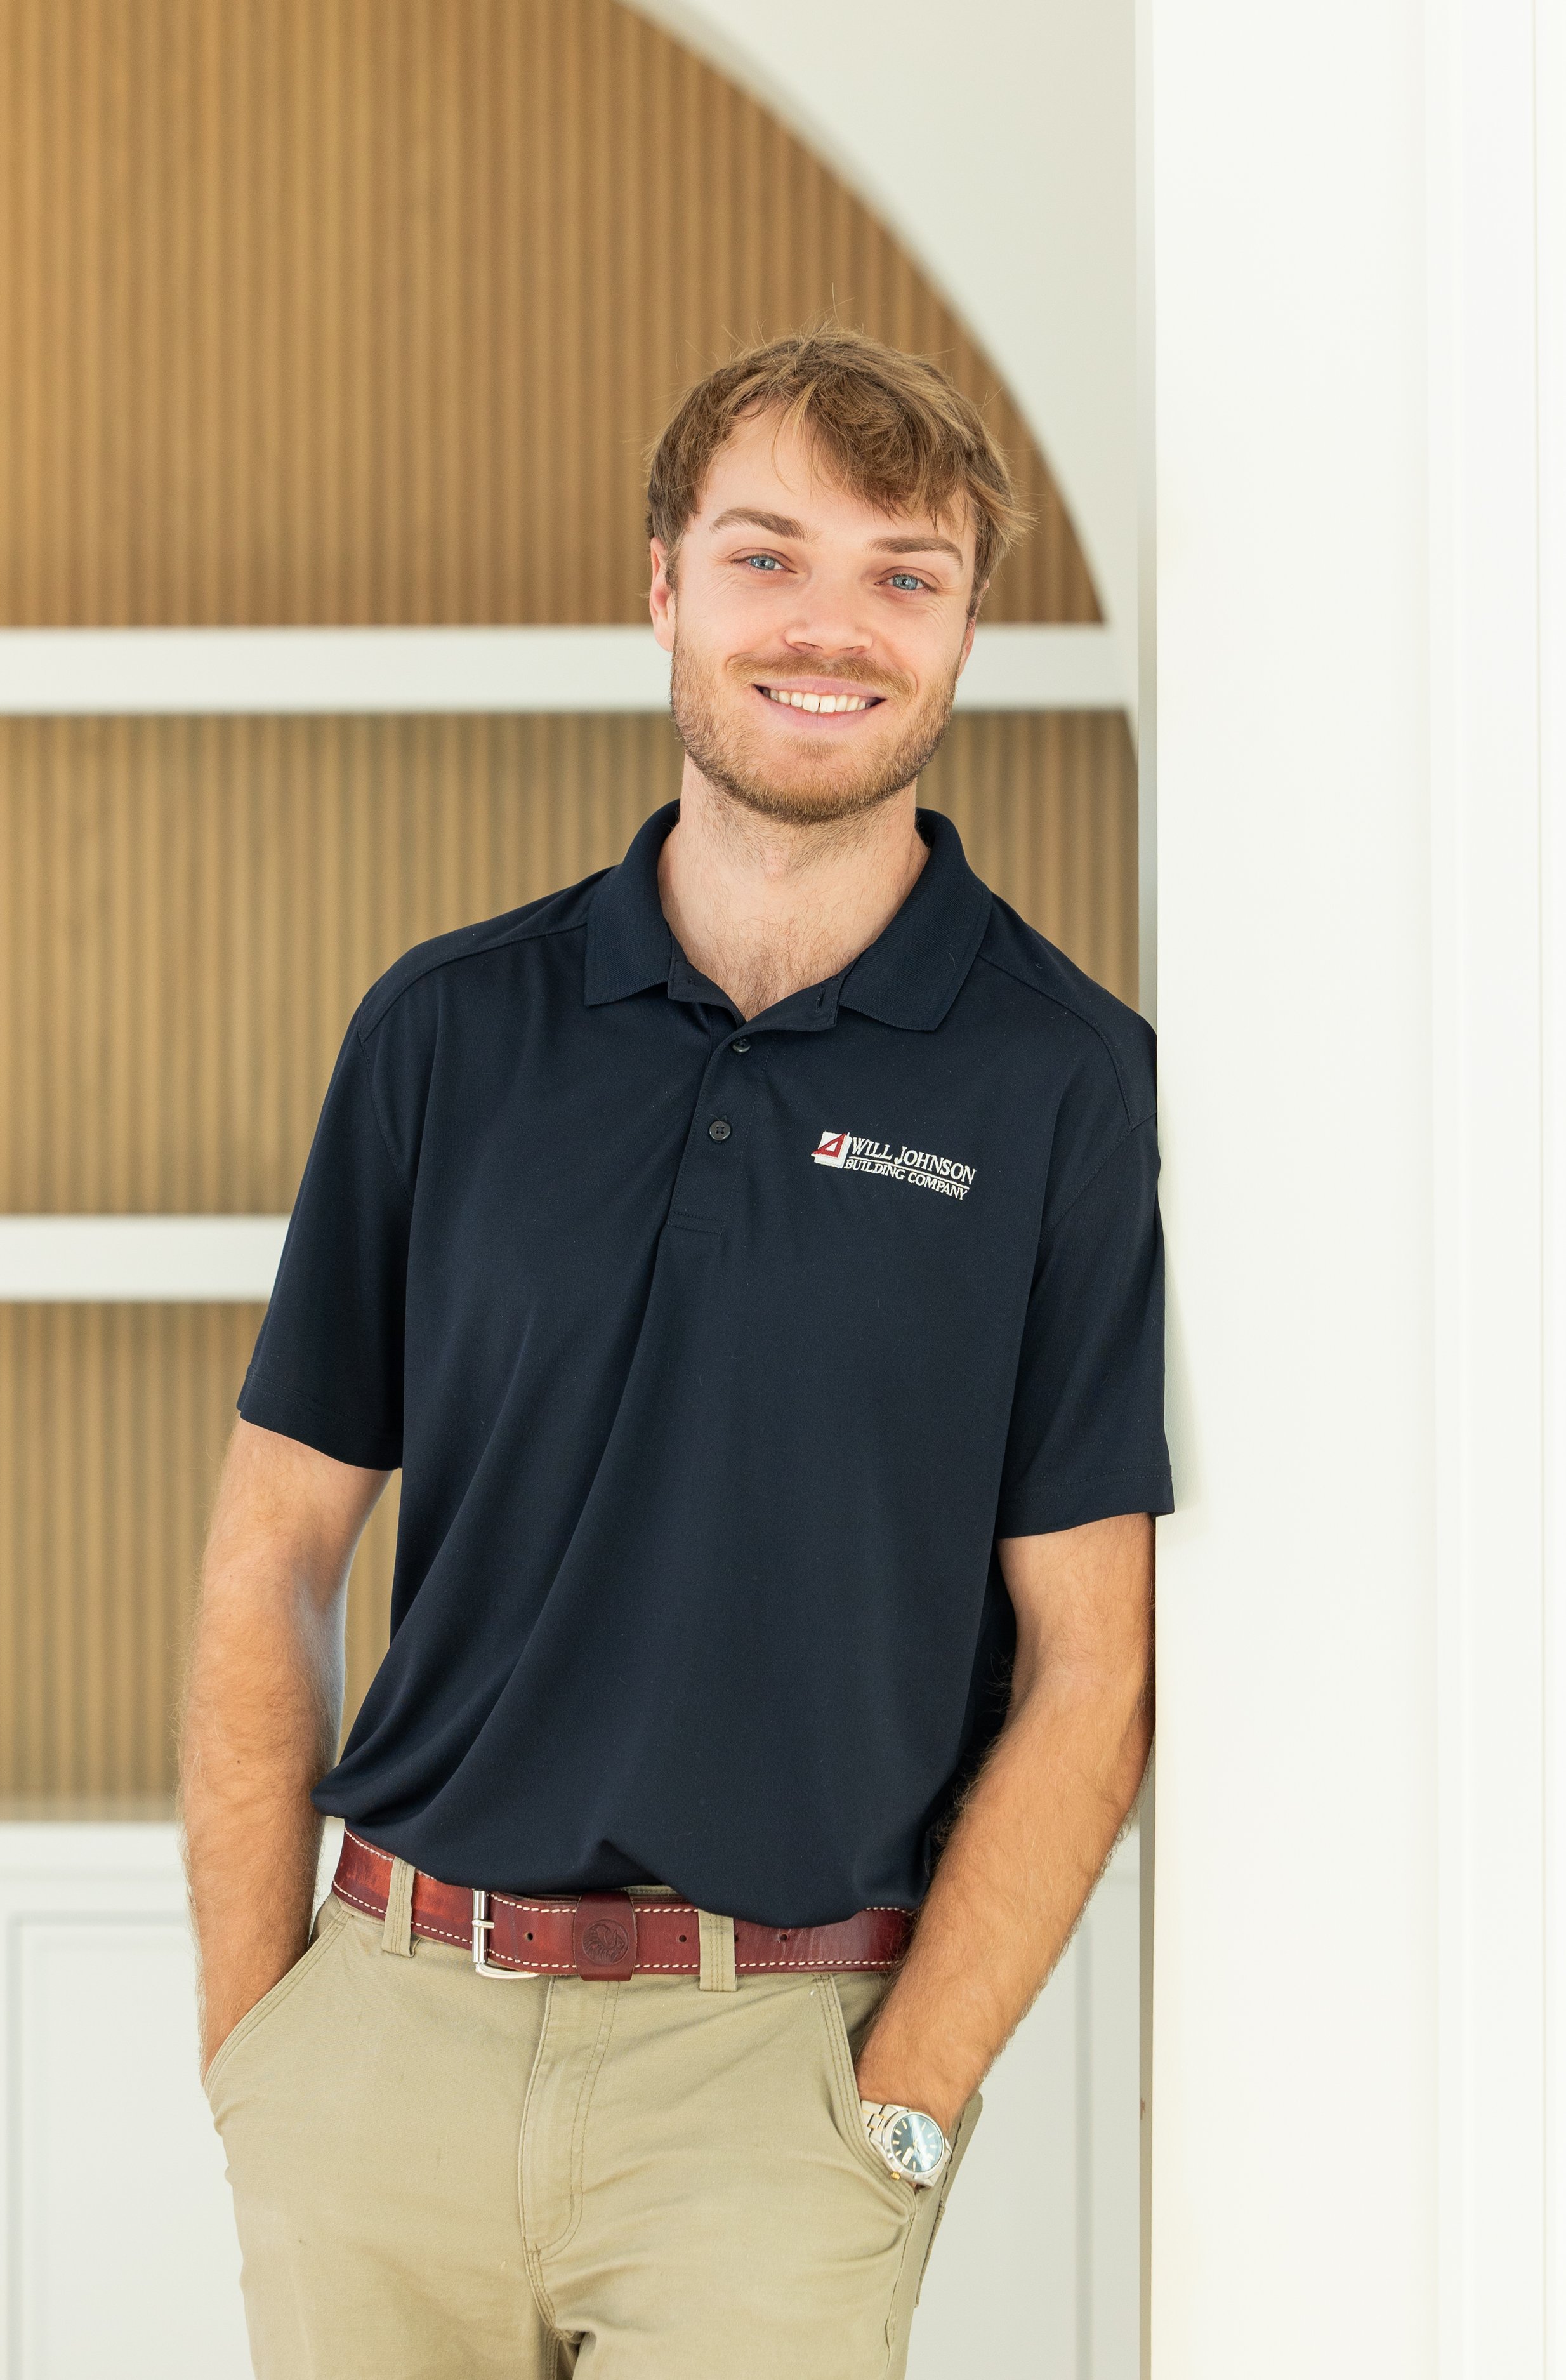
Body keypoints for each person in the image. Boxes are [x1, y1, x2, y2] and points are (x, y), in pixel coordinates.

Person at [180, 325, 1171, 2380]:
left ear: (964, 628)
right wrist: (256, 2037)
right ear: (661, 588)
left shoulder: (1067, 1088)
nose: (832, 626)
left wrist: (903, 2101)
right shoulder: (446, 1032)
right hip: (384, 2041)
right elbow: (274, 1551)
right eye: (765, 557)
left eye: (904, 572)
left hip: (775, 2094)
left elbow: (1094, 1665)